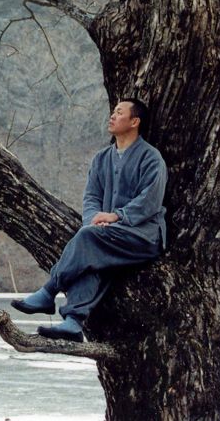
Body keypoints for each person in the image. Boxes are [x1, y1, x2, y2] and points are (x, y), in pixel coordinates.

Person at [10, 98, 167, 342]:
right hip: (108, 235)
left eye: (119, 112)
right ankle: (73, 323)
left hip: (143, 237)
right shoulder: (101, 158)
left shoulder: (151, 158)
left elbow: (151, 200)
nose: (112, 116)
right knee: (90, 257)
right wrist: (93, 221)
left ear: (134, 121)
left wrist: (116, 216)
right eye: (113, 111)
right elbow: (91, 197)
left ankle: (49, 291)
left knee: (88, 240)